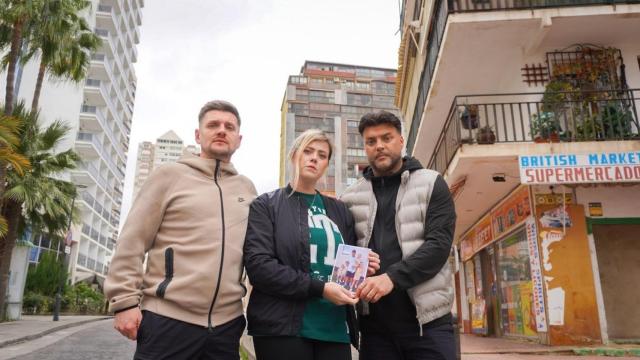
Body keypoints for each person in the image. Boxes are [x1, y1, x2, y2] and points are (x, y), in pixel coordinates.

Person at [104, 100, 257, 360]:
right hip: (167, 320)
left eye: (229, 126)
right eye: (213, 125)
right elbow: (132, 240)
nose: (221, 130)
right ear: (198, 135)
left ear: (239, 139)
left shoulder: (247, 189)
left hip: (226, 326)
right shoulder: (169, 176)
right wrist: (124, 301)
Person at [243, 129, 380, 360]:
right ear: (294, 155)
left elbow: (345, 267)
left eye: (322, 155)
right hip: (281, 328)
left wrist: (362, 267)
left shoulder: (339, 210)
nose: (314, 158)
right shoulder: (266, 205)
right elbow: (259, 268)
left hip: (334, 328)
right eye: (307, 151)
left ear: (326, 165)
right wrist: (320, 289)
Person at [341, 111, 457, 360]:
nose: (379, 146)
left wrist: (391, 278)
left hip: (429, 324)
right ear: (365, 147)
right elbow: (346, 255)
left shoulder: (432, 183)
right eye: (371, 141)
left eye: (387, 138)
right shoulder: (349, 198)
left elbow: (439, 246)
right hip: (375, 331)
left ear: (401, 141)